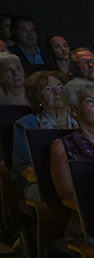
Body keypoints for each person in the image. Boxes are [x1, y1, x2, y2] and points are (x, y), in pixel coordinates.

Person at [49, 79, 94, 210]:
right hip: (88, 213)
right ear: (73, 110)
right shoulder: (62, 146)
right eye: (90, 101)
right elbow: (67, 197)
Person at [12, 71, 70, 199]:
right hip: (42, 182)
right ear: (37, 97)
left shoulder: (81, 120)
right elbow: (21, 164)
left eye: (61, 87)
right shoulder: (26, 124)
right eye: (48, 89)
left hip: (78, 178)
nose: (57, 92)